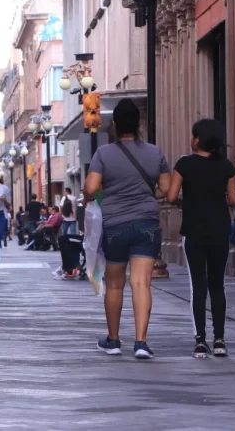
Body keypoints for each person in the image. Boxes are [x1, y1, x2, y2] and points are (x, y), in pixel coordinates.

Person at [83, 98, 171, 360]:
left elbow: (89, 188)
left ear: (116, 125)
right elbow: (166, 189)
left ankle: (113, 339)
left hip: (115, 225)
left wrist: (106, 195)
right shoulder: (155, 153)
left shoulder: (104, 154)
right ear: (139, 124)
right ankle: (141, 343)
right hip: (147, 223)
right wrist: (146, 196)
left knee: (114, 285)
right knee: (141, 283)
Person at [166, 119, 235, 359]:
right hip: (220, 230)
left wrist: (185, 203)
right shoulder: (226, 165)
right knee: (218, 285)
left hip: (195, 231)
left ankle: (200, 340)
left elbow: (171, 196)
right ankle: (220, 340)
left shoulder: (184, 164)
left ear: (197, 139)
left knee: (198, 285)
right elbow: (232, 199)